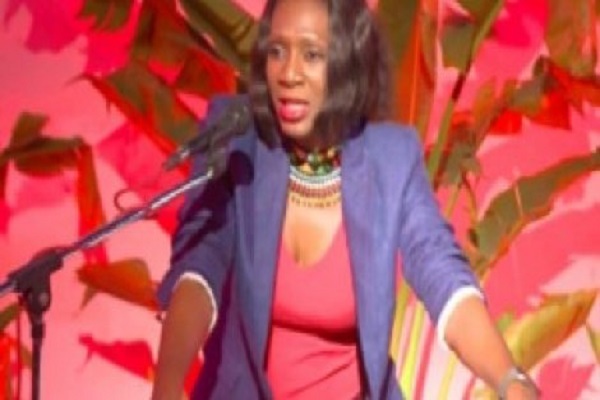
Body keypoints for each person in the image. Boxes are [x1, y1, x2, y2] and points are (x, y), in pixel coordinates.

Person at [151, 0, 540, 399]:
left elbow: (440, 270)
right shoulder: (237, 142)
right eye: (277, 51)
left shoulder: (391, 159)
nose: (289, 73)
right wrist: (166, 385)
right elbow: (199, 269)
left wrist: (510, 380)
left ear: (346, 63)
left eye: (312, 55)